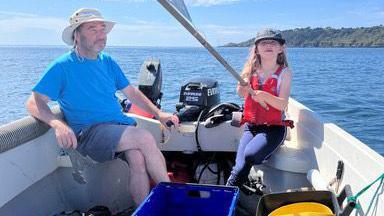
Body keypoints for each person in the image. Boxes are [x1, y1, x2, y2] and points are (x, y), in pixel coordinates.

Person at [26, 8, 179, 205]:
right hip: (90, 132)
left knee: (138, 159)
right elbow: (32, 102)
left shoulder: (108, 62)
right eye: (93, 29)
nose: (101, 35)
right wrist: (58, 125)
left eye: (103, 30)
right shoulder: (62, 66)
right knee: (145, 138)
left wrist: (159, 114)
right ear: (76, 35)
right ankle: (173, 200)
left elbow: (131, 93)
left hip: (118, 127)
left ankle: (143, 209)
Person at [226, 28, 292, 188]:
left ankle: (263, 151)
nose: (268, 45)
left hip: (274, 129)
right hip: (252, 127)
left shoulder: (285, 73)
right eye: (263, 42)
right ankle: (228, 194)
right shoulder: (250, 70)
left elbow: (283, 104)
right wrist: (243, 85)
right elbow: (241, 94)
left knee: (250, 155)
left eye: (273, 42)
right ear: (256, 48)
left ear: (281, 48)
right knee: (239, 168)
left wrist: (265, 96)